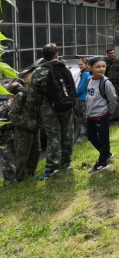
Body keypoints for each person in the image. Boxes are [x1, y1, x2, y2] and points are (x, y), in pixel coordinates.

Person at [29, 43, 76, 181]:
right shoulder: (64, 67)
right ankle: (66, 162)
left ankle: (52, 167)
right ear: (57, 54)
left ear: (43, 56)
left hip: (49, 108)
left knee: (53, 136)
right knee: (67, 133)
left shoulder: (38, 72)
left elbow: (33, 96)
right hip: (67, 105)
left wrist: (40, 104)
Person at [85, 57, 118, 174]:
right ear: (91, 68)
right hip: (90, 115)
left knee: (103, 139)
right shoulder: (88, 80)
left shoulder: (106, 83)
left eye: (103, 66)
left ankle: (102, 162)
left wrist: (111, 112)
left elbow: (113, 99)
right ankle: (106, 153)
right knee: (90, 136)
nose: (101, 69)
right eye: (98, 67)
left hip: (102, 115)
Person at [8, 67, 40, 182]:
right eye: (31, 76)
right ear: (24, 80)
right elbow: (12, 114)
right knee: (22, 156)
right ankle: (20, 180)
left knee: (35, 152)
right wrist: (28, 123)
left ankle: (30, 176)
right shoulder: (21, 95)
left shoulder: (36, 93)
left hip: (35, 130)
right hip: (23, 132)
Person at [75, 57, 91, 143]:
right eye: (79, 64)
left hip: (82, 99)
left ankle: (83, 135)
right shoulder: (89, 73)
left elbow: (81, 88)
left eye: (81, 64)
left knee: (82, 118)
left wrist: (74, 95)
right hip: (88, 98)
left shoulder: (85, 74)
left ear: (87, 64)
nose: (79, 66)